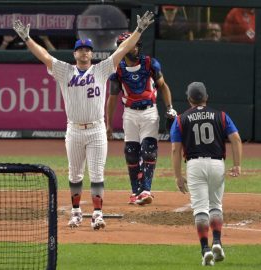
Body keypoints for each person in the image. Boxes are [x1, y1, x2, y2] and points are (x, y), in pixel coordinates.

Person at [13, 11, 154, 229]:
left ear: (91, 53)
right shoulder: (65, 71)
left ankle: (97, 214)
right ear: (75, 53)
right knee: (75, 173)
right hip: (75, 130)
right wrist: (27, 39)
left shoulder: (101, 69)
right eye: (80, 49)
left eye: (87, 50)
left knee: (97, 173)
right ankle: (76, 212)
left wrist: (139, 30)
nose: (84, 53)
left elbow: (123, 49)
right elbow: (44, 56)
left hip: (96, 130)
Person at [170, 82, 242, 266]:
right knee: (215, 205)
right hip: (217, 163)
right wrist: (237, 165)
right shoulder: (221, 116)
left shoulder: (181, 119)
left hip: (194, 165)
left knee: (200, 209)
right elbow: (236, 138)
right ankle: (217, 242)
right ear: (206, 97)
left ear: (188, 99)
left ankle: (205, 250)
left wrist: (178, 176)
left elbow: (175, 150)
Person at [106, 32, 177, 205]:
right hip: (129, 113)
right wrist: (109, 125)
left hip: (149, 112)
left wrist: (169, 108)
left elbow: (163, 86)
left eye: (136, 44)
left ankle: (146, 189)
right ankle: (135, 191)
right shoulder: (117, 69)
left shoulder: (150, 64)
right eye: (131, 44)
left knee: (149, 150)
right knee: (131, 153)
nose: (135, 48)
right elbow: (113, 97)